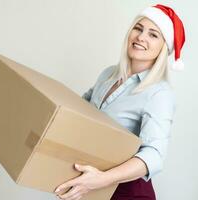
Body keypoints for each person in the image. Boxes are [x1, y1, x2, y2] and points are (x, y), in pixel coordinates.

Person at [54, 4, 185, 200]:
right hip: (90, 183)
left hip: (127, 192)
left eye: (153, 35)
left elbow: (154, 155)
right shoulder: (109, 74)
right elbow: (83, 109)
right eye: (138, 29)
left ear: (163, 48)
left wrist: (102, 179)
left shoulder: (159, 93)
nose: (141, 37)